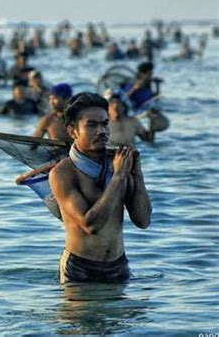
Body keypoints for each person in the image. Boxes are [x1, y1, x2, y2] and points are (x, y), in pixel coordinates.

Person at [49, 92, 151, 283]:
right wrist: (119, 176)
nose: (101, 131)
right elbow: (91, 225)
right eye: (92, 125)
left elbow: (143, 221)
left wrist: (136, 173)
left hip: (118, 265)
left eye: (105, 124)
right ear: (73, 132)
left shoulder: (119, 163)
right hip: (80, 269)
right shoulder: (63, 173)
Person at [125, 62, 170, 138]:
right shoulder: (131, 84)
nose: (151, 76)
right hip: (138, 112)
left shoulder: (147, 85)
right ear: (142, 74)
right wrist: (134, 89)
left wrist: (157, 85)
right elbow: (124, 98)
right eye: (149, 74)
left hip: (148, 109)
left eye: (151, 74)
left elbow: (154, 99)